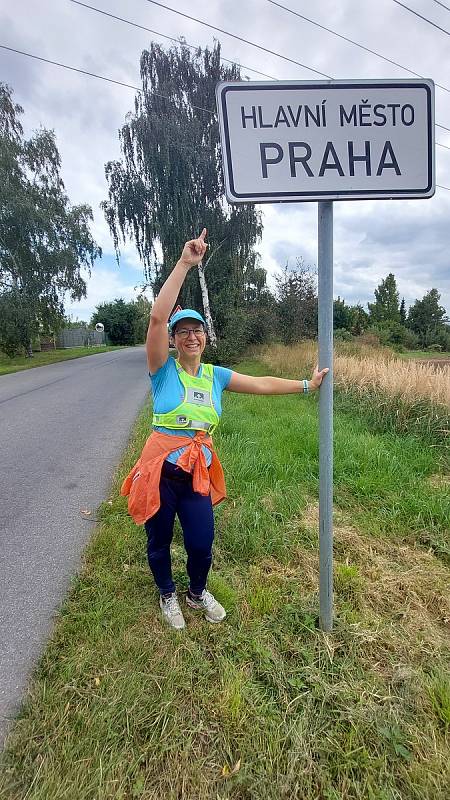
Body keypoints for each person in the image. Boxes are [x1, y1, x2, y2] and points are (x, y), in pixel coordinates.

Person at [121, 228, 329, 631]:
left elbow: (262, 383)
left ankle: (196, 593)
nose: (191, 336)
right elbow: (157, 316)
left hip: (196, 471)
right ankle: (167, 594)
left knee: (201, 541)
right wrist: (185, 263)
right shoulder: (162, 372)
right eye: (183, 331)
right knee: (159, 540)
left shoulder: (216, 376)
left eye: (197, 330)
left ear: (205, 336)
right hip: (161, 472)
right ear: (174, 340)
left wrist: (306, 385)